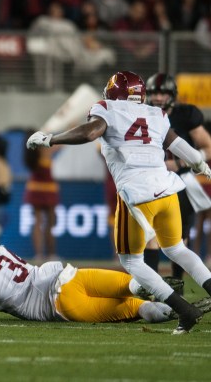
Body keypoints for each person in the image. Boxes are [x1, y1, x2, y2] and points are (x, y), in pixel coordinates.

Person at [25, 70, 211, 334]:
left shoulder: (107, 108)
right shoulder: (155, 113)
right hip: (168, 189)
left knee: (132, 262)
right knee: (177, 250)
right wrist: (200, 164)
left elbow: (90, 133)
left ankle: (184, 310)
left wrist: (51, 138)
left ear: (112, 92)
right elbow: (179, 144)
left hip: (137, 196)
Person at [0, 235, 211, 323]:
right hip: (68, 275)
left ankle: (174, 312)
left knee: (136, 309)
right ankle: (168, 293)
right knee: (132, 283)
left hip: (60, 304)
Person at [143, 73, 211, 277]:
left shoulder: (186, 115)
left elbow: (208, 148)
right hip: (150, 180)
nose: (157, 97)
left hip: (180, 181)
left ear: (172, 95)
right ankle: (152, 285)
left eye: (163, 93)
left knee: (180, 237)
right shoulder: (141, 114)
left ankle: (177, 283)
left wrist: (180, 162)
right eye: (154, 92)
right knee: (150, 232)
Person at [23, 130, 59, 262]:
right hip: (48, 189)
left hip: (34, 188)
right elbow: (59, 144)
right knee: (49, 223)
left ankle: (39, 254)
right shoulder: (44, 151)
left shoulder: (30, 152)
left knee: (37, 222)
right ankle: (51, 254)